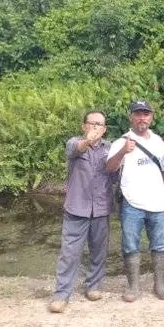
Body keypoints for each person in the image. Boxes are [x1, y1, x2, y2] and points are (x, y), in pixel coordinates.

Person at [106, 100, 164, 302]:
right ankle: (133, 287)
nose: (142, 118)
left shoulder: (158, 141)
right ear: (131, 117)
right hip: (131, 202)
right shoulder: (121, 141)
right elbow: (109, 168)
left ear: (151, 117)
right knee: (130, 245)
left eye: (146, 114)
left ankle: (159, 284)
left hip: (157, 201)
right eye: (138, 114)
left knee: (160, 244)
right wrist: (122, 151)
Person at [49, 111, 114, 313]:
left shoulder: (110, 148)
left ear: (105, 129)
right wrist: (87, 141)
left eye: (100, 124)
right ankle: (61, 294)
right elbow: (76, 149)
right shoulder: (74, 143)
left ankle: (93, 286)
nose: (96, 127)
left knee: (98, 251)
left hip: (101, 208)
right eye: (92, 123)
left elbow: (115, 172)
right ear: (84, 126)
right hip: (77, 208)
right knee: (69, 253)